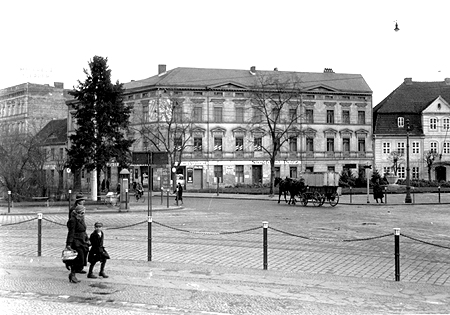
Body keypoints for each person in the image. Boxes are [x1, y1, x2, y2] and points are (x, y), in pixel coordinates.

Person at [65, 205, 89, 283]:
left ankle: (74, 273)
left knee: (82, 259)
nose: (83, 214)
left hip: (82, 240)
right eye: (82, 212)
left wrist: (87, 239)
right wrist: (69, 244)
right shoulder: (73, 220)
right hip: (76, 241)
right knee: (78, 258)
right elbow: (71, 233)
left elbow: (84, 230)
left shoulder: (81, 219)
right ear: (78, 212)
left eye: (84, 213)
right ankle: (72, 274)